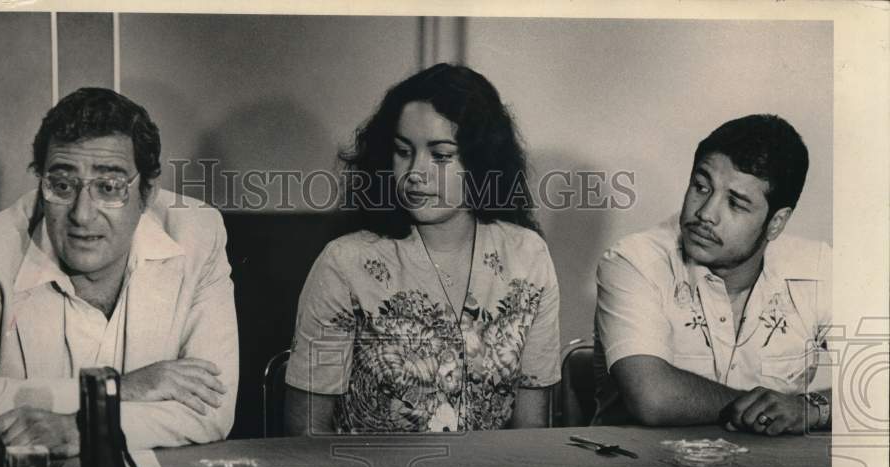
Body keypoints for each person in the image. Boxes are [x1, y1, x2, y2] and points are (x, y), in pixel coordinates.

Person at [0, 87, 238, 456]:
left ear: (148, 193)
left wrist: (79, 428)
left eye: (109, 187)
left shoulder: (198, 234)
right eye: (62, 185)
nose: (82, 214)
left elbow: (212, 407)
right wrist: (120, 389)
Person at [285, 63, 561, 434]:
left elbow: (532, 432)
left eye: (441, 156)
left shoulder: (528, 256)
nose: (416, 172)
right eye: (403, 151)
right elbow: (305, 432)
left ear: (482, 160)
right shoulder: (345, 263)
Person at [593, 114, 832, 435]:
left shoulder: (818, 267)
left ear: (776, 222)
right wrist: (771, 411)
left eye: (736, 204)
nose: (705, 213)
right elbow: (652, 397)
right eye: (701, 187)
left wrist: (810, 408)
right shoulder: (634, 260)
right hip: (640, 463)